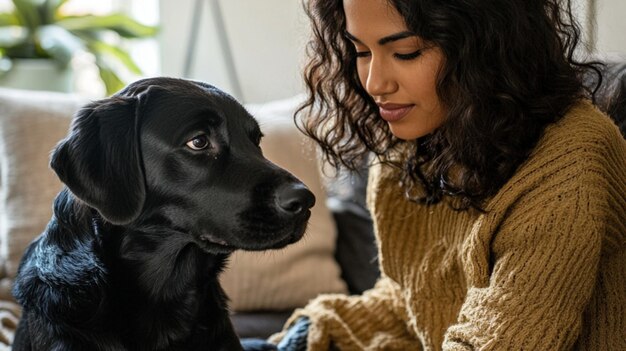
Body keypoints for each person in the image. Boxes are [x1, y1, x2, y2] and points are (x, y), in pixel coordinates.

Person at [244, 0, 626, 350]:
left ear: (482, 44)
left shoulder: (571, 157)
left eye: (405, 52)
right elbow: (413, 301)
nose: (375, 83)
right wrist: (308, 334)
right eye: (361, 51)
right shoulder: (407, 150)